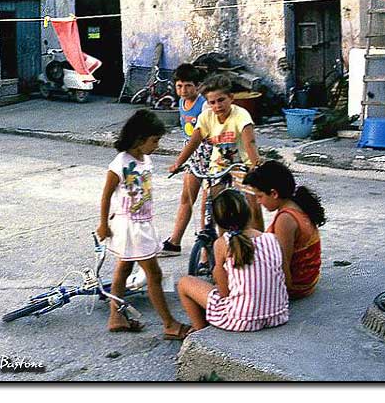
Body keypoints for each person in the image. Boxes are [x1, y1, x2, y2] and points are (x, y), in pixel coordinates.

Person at [96, 109, 191, 339]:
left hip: (143, 223)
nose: (157, 145)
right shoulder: (119, 163)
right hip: (130, 227)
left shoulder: (145, 159)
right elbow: (106, 195)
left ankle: (115, 317)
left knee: (124, 268)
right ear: (139, 139)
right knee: (154, 275)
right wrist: (102, 224)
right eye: (155, 140)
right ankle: (169, 324)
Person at [177, 189, 288, 332]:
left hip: (240, 320)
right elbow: (286, 281)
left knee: (184, 283)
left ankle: (200, 332)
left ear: (219, 222)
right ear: (249, 213)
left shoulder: (222, 243)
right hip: (277, 315)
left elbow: (224, 293)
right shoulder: (272, 238)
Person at [168, 74, 264, 231]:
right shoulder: (206, 116)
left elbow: (250, 143)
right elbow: (194, 141)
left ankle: (261, 245)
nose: (217, 106)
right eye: (212, 102)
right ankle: (213, 249)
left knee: (253, 208)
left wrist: (255, 166)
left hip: (242, 166)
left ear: (231, 98)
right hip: (218, 167)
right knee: (215, 208)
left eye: (221, 100)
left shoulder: (241, 115)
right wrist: (178, 163)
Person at [243, 160, 326, 299]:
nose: (258, 201)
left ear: (274, 193)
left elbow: (282, 263)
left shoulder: (285, 219)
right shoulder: (295, 204)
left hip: (297, 286)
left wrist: (280, 295)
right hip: (310, 279)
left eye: (260, 196)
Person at [159, 63, 212, 257]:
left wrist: (179, 162)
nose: (183, 90)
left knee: (207, 207)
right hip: (193, 158)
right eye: (179, 86)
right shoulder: (182, 103)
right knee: (186, 199)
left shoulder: (205, 105)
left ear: (197, 86)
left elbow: (197, 137)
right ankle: (175, 242)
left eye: (188, 86)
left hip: (210, 158)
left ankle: (206, 254)